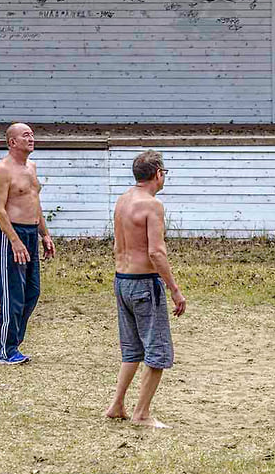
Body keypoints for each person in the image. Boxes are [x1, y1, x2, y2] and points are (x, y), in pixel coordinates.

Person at [105, 150, 187, 429]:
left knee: (132, 350)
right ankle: (142, 413)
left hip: (122, 281)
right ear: (158, 174)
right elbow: (157, 252)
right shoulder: (152, 205)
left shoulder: (122, 200)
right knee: (157, 351)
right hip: (143, 284)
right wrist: (174, 289)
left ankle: (116, 405)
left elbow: (117, 245)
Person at [0, 123, 55, 365]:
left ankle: (6, 342)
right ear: (12, 142)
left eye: (32, 134)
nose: (31, 138)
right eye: (25, 135)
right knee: (13, 294)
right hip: (11, 234)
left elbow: (34, 202)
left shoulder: (31, 166)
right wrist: (15, 242)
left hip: (30, 232)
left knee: (32, 292)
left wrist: (44, 234)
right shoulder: (2, 170)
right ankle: (7, 351)